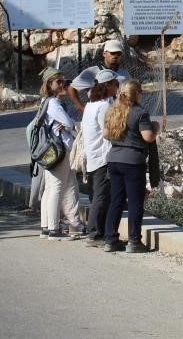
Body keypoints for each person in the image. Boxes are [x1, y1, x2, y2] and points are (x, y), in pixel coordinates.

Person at [102, 80, 160, 253]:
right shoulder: (140, 112)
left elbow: (105, 134)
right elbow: (148, 137)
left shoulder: (113, 110)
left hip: (114, 160)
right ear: (137, 94)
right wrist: (155, 128)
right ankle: (134, 241)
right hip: (133, 161)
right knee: (135, 202)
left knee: (116, 201)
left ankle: (110, 239)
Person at [37, 67, 85, 240]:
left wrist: (68, 124)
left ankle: (48, 226)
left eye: (64, 81)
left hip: (54, 151)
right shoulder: (54, 103)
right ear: (49, 84)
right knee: (56, 188)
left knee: (54, 187)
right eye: (59, 82)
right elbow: (68, 123)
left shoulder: (45, 102)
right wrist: (71, 123)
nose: (63, 84)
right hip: (61, 149)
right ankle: (54, 229)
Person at [81, 68, 119, 246]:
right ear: (108, 85)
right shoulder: (103, 106)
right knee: (101, 196)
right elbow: (107, 131)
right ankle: (94, 234)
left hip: (94, 155)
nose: (117, 87)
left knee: (100, 195)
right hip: (103, 156)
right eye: (115, 84)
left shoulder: (90, 104)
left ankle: (99, 231)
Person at [67, 39, 130, 115]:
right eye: (113, 53)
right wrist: (81, 108)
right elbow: (71, 88)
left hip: (118, 114)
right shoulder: (92, 72)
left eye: (119, 53)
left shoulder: (124, 73)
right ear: (104, 54)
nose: (116, 56)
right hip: (97, 114)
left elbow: (129, 92)